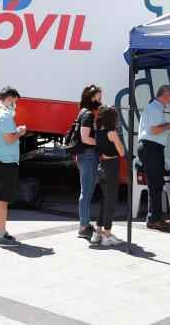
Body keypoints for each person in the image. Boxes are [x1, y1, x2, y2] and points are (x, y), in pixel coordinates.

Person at [0, 86, 26, 247]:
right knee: (3, 201)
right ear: (9, 99)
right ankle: (1, 237)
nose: (14, 106)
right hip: (6, 162)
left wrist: (14, 132)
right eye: (14, 102)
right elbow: (9, 139)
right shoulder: (5, 116)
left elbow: (3, 136)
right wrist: (20, 132)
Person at [137, 85, 170, 230]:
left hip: (151, 148)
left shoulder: (155, 108)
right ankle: (154, 219)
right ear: (166, 96)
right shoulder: (155, 108)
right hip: (151, 147)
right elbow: (154, 130)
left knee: (156, 184)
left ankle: (153, 217)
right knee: (155, 184)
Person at [91, 105, 126, 246]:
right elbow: (122, 152)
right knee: (110, 203)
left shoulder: (97, 132)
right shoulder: (112, 133)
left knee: (105, 201)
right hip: (112, 167)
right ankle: (107, 235)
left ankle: (97, 233)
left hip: (102, 166)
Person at [75, 84, 102, 239]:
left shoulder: (83, 112)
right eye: (98, 98)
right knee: (86, 192)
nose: (100, 101)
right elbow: (85, 138)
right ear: (92, 98)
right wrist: (101, 142)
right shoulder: (88, 115)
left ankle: (84, 224)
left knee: (88, 191)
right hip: (88, 155)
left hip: (87, 155)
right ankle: (83, 226)